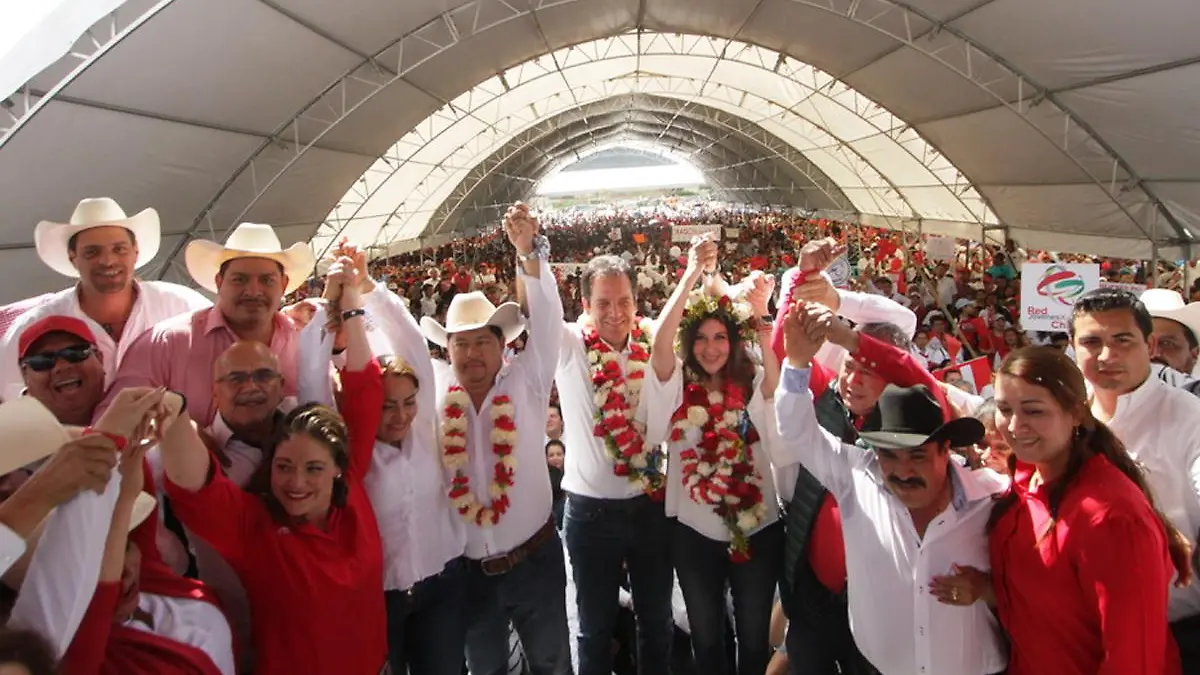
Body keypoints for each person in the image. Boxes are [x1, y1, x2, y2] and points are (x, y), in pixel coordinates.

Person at [158, 268, 387, 675]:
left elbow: (364, 390)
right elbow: (198, 491)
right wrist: (176, 418)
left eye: (313, 468)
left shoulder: (349, 480)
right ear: (214, 392)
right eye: (283, 467)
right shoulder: (255, 527)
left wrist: (351, 302)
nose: (296, 482)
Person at [775, 301, 1008, 675]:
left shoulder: (994, 500)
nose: (902, 471)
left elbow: (1039, 588)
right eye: (888, 455)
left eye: (917, 456)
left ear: (945, 450)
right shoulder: (858, 475)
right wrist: (797, 362)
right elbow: (796, 430)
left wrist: (987, 589)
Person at [300, 249, 469, 675]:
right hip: (378, 597)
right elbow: (310, 379)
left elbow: (410, 341)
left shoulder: (425, 430)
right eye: (386, 405)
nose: (400, 415)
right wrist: (330, 303)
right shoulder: (345, 452)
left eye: (408, 402)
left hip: (441, 585)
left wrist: (368, 287)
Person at [418, 203, 568, 675]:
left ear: (503, 345)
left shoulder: (528, 380)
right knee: (484, 668)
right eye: (460, 343)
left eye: (483, 341)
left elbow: (548, 321)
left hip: (535, 560)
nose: (472, 353)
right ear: (446, 350)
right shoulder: (434, 392)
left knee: (551, 664)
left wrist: (529, 252)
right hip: (468, 575)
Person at [986, 346, 1192, 674]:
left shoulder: (1112, 515)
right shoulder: (1024, 483)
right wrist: (983, 587)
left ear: (1077, 414)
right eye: (1004, 409)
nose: (1014, 425)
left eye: (1033, 411)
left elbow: (1133, 658)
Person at [642, 235, 790, 675]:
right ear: (689, 343)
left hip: (758, 531)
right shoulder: (676, 389)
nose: (710, 348)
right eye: (701, 338)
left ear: (734, 340)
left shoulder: (753, 380)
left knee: (753, 640)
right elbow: (660, 347)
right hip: (694, 536)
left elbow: (775, 388)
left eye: (721, 337)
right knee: (706, 641)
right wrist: (691, 273)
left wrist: (761, 319)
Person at [551, 250, 674, 675]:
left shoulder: (652, 343)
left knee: (656, 623)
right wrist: (530, 254)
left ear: (637, 302)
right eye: (603, 302)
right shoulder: (570, 345)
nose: (615, 313)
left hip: (650, 508)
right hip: (591, 515)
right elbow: (540, 307)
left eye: (624, 301)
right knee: (594, 628)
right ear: (585, 305)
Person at [1070, 287, 1200, 667]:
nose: (1106, 355)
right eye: (1091, 342)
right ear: (1072, 347)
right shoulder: (1064, 415)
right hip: (1082, 632)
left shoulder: (1189, 417)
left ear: (1150, 345)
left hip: (1175, 633)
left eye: (1122, 340)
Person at [102, 222, 315, 425]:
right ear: (219, 282)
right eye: (239, 279)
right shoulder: (164, 345)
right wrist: (181, 433)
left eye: (267, 280)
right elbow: (113, 423)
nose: (253, 291)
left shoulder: (305, 343)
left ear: (284, 284)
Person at [0, 198, 211, 402]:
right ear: (73, 258)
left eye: (119, 249)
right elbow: (11, 392)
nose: (108, 261)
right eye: (92, 252)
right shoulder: (35, 324)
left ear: (135, 252)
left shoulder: (182, 305)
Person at [62, 439, 236, 675]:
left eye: (124, 547)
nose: (125, 571)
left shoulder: (184, 604)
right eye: (100, 561)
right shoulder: (59, 655)